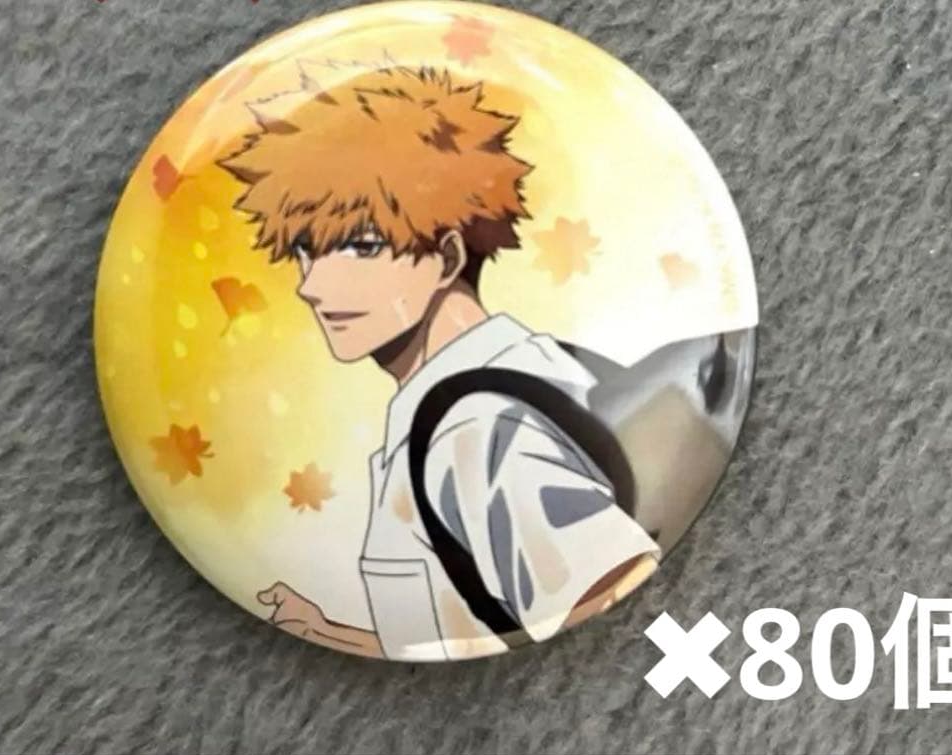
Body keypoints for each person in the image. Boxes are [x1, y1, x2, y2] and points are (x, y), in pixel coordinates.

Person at [220, 62, 660, 660]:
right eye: (305, 250)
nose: (311, 287)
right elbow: (474, 628)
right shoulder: (476, 397)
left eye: (362, 247)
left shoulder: (476, 429)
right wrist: (330, 632)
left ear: (448, 257)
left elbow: (612, 607)